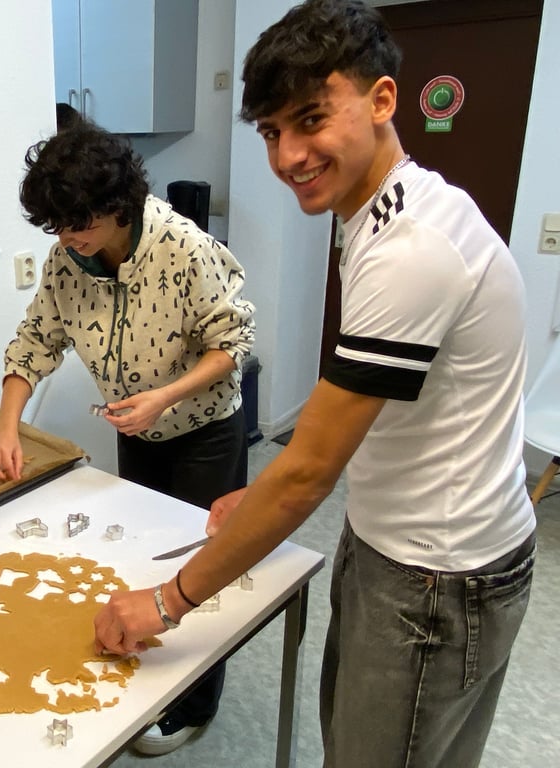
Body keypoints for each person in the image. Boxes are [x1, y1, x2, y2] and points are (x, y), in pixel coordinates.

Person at [92, 2, 536, 767]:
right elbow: (401, 416)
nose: (289, 154)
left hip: (437, 575)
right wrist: (258, 499)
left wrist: (168, 602)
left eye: (310, 119)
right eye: (270, 131)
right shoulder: (384, 217)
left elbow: (304, 472)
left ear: (382, 100)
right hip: (415, 542)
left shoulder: (411, 249)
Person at [0, 121, 256, 755]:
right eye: (57, 227)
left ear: (118, 209)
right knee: (140, 559)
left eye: (80, 225)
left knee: (197, 570)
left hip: (203, 432)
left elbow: (232, 344)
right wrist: (6, 428)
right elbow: (35, 343)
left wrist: (163, 396)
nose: (69, 239)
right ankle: (147, 676)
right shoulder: (68, 259)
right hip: (137, 435)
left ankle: (193, 704)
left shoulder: (183, 247)